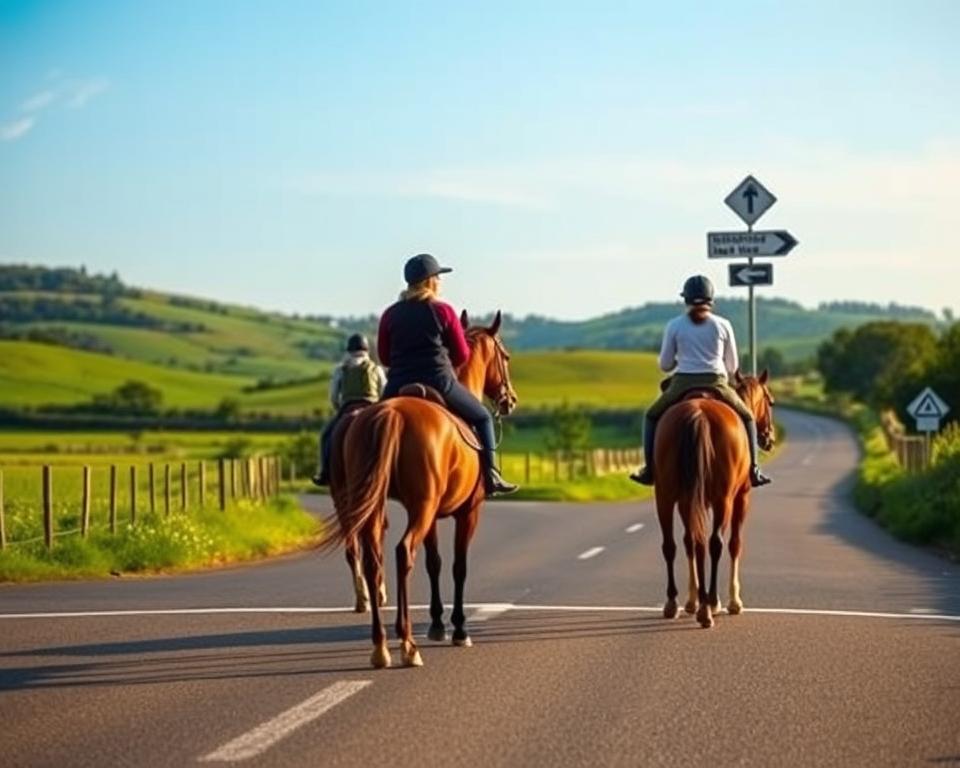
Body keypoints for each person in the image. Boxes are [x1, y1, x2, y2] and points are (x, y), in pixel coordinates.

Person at [377, 253, 518, 496]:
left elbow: (384, 357)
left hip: (397, 384)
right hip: (439, 381)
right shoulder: (443, 311)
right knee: (483, 417)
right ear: (430, 281)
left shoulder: (390, 314)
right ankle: (492, 474)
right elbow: (462, 355)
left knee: (373, 425)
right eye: (438, 277)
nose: (440, 282)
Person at [630, 274, 772, 488]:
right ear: (711, 299)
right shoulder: (723, 325)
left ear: (686, 299)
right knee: (748, 417)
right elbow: (732, 367)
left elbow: (666, 365)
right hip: (717, 382)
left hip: (682, 382)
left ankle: (649, 470)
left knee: (651, 416)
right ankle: (753, 470)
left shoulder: (674, 325)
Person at [312, 333, 386, 486]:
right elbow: (384, 392)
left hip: (347, 408)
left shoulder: (341, 369)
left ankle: (324, 472)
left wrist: (339, 409)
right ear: (366, 350)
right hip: (371, 408)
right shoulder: (376, 369)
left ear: (349, 350)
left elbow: (333, 396)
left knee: (326, 436)